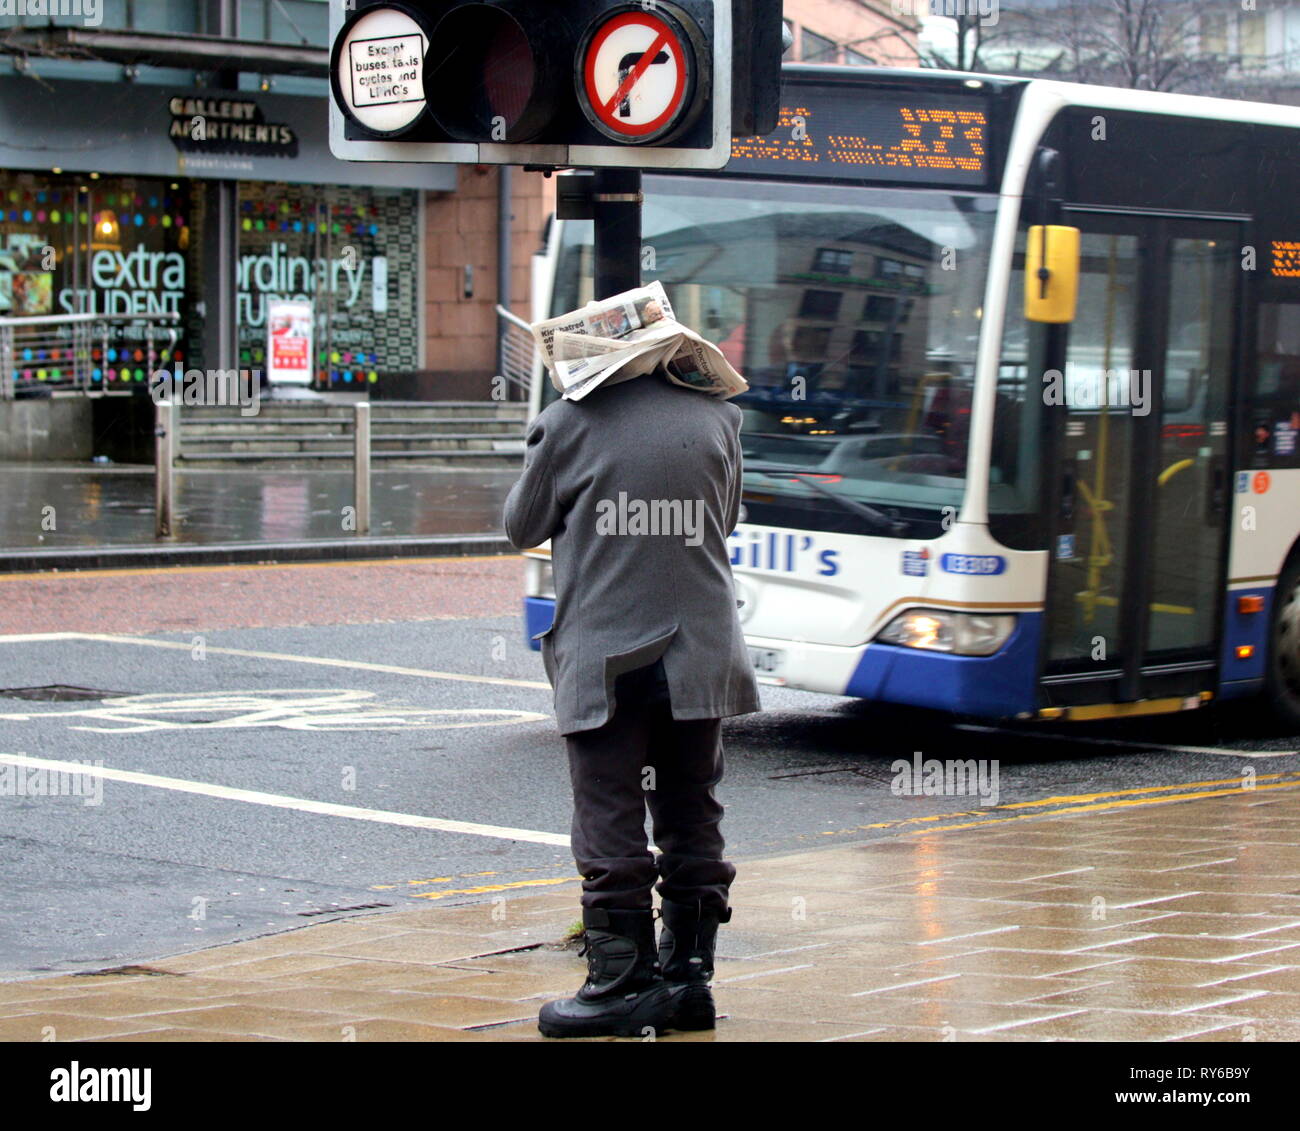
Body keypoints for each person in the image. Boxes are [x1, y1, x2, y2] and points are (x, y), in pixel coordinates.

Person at [503, 363, 760, 1038]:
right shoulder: (719, 418)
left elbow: (520, 523)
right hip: (700, 647)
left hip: (610, 651)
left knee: (609, 811)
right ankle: (689, 980)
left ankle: (619, 983)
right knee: (691, 808)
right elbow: (724, 517)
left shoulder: (566, 421)